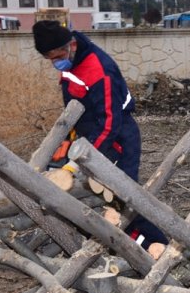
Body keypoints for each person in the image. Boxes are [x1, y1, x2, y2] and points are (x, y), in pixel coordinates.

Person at [32, 20, 168, 248]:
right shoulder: (71, 64)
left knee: (125, 200)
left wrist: (84, 158)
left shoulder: (98, 69)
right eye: (50, 59)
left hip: (118, 139)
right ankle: (129, 248)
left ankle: (159, 248)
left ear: (71, 45)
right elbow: (75, 108)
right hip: (88, 135)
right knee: (97, 200)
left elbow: (109, 122)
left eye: (57, 56)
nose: (55, 63)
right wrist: (69, 145)